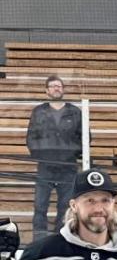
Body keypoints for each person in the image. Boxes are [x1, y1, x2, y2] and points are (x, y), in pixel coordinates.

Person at [25, 75, 82, 241]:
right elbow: (31, 138)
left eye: (59, 86)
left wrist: (72, 155)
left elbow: (85, 137)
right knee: (40, 206)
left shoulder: (75, 111)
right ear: (46, 91)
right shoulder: (39, 111)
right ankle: (39, 241)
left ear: (63, 89)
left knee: (65, 207)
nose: (56, 88)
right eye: (52, 86)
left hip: (68, 166)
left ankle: (61, 240)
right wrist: (42, 156)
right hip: (45, 166)